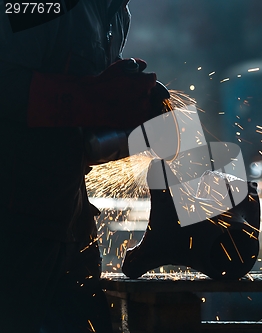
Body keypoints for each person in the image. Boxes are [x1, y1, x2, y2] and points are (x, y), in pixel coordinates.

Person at [0, 1, 164, 332]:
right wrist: (96, 100)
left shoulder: (116, 12)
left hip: (69, 221)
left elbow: (73, 126)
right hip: (14, 225)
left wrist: (128, 115)